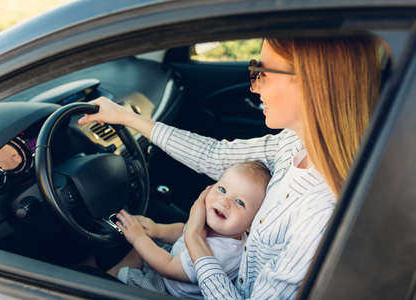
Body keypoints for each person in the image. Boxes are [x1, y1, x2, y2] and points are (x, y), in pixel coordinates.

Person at [78, 34, 385, 299]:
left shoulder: (321, 210)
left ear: (312, 84)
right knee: (147, 227)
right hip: (223, 265)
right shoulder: (292, 144)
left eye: (263, 73)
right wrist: (128, 118)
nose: (254, 86)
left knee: (77, 281)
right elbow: (213, 155)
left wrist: (197, 242)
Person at [105, 161, 270, 299]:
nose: (224, 201)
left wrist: (138, 238)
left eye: (240, 202)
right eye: (222, 189)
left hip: (167, 290)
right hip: (174, 261)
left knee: (127, 275)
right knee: (145, 247)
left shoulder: (222, 253)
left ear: (252, 224)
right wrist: (157, 230)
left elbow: (168, 267)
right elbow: (184, 230)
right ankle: (107, 272)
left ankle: (102, 280)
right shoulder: (221, 227)